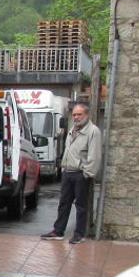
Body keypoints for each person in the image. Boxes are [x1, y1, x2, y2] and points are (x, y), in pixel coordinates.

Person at [41, 102, 102, 244]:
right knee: (64, 203)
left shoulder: (93, 131)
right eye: (74, 114)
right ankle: (58, 231)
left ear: (86, 115)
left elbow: (95, 155)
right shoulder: (72, 129)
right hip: (68, 172)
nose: (76, 117)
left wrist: (87, 173)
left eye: (79, 114)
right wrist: (63, 168)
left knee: (81, 206)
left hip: (80, 174)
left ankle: (79, 234)